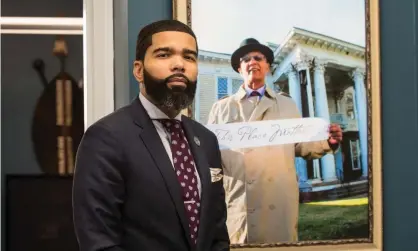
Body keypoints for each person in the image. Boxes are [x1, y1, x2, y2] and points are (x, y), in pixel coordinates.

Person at [72, 20, 230, 251]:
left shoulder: (206, 140)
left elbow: (217, 235)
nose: (179, 64)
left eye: (189, 57)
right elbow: (99, 241)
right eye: (164, 55)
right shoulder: (105, 138)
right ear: (138, 70)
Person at [207, 38, 343, 244]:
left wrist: (329, 142)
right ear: (239, 68)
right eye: (246, 59)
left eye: (258, 58)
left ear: (268, 66)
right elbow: (210, 155)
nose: (252, 62)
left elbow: (301, 145)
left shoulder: (287, 104)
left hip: (277, 202)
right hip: (238, 202)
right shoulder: (221, 108)